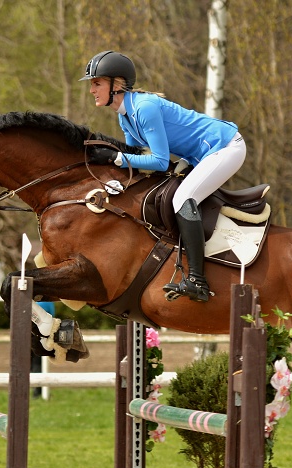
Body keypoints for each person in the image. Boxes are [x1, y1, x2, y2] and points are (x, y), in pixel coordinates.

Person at [80, 50, 246, 303]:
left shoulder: (144, 108)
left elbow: (158, 160)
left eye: (97, 83)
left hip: (224, 146)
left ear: (117, 84)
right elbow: (134, 158)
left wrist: (114, 158)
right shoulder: (126, 116)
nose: (92, 89)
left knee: (183, 198)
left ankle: (198, 281)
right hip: (199, 155)